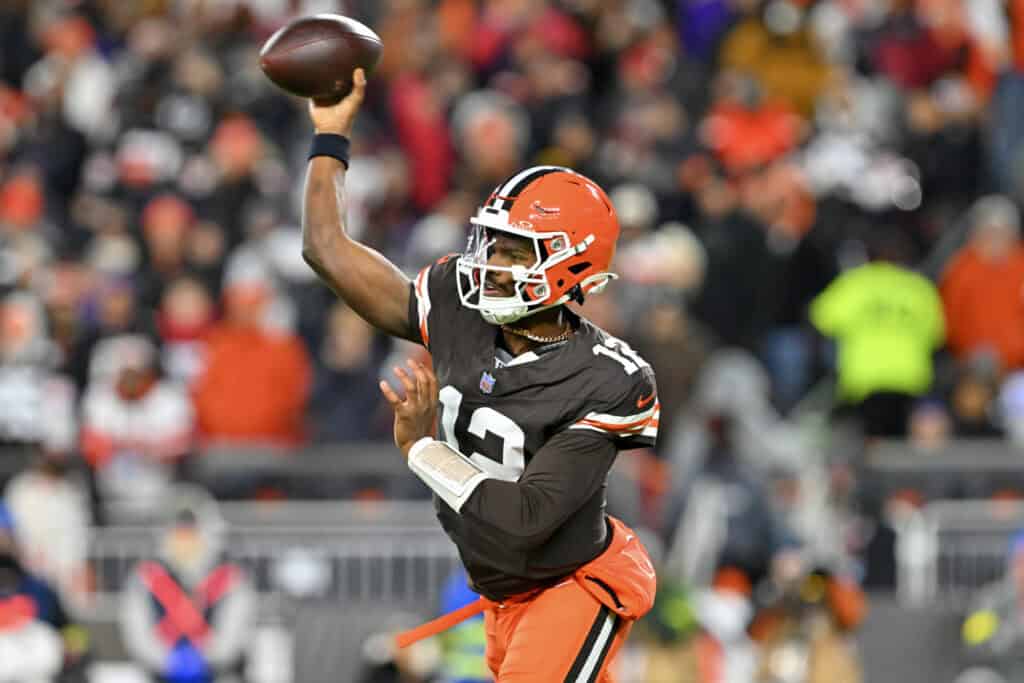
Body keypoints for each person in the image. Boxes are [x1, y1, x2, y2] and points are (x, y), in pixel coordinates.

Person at [303, 69, 658, 682]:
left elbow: (526, 517)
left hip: (571, 586)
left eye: (515, 252)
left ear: (573, 263)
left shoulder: (609, 377)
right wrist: (331, 136)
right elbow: (325, 248)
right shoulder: (456, 305)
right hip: (496, 593)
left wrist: (420, 448)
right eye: (491, 244)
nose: (492, 264)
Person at [119, 486, 255, 683]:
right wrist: (168, 660)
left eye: (191, 531)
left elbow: (234, 633)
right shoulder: (146, 578)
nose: (185, 538)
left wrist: (205, 658)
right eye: (179, 531)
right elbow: (138, 633)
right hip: (161, 674)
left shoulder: (230, 577)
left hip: (218, 674)